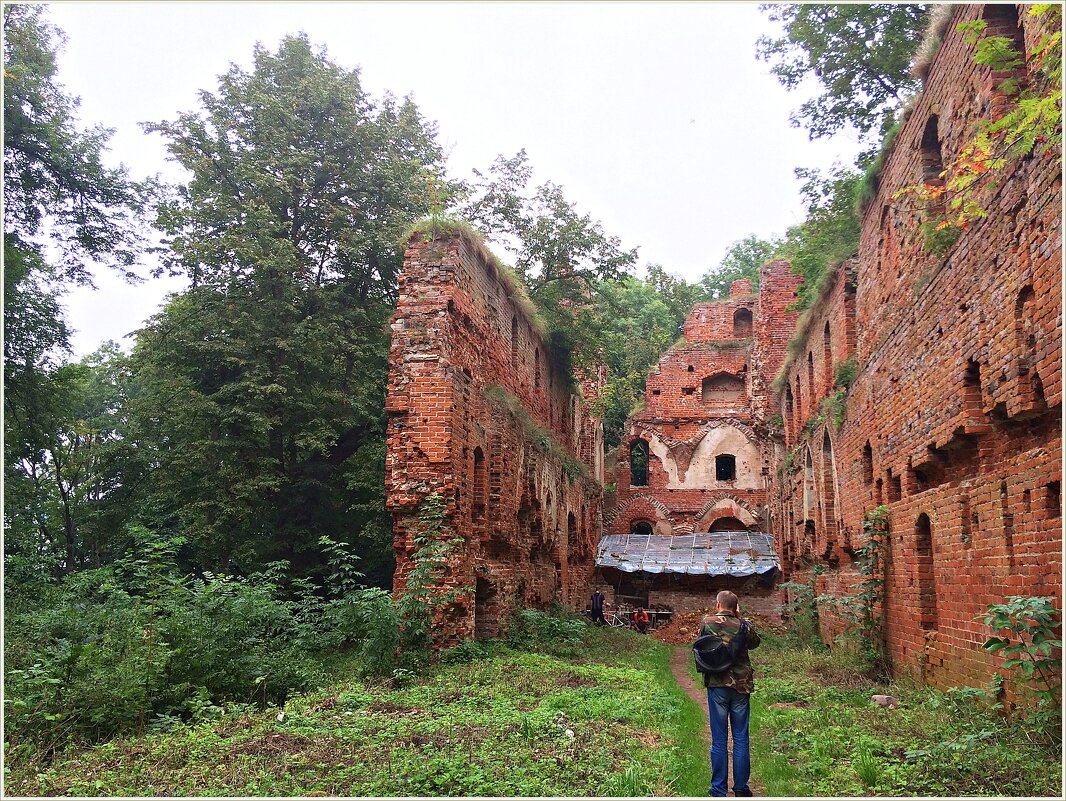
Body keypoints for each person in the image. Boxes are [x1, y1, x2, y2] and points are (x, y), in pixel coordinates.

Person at [698, 590, 761, 798]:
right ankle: (741, 789)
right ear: (736, 607)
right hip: (741, 686)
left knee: (719, 740)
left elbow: (702, 646)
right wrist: (740, 619)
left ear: (717, 605)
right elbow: (755, 643)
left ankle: (718, 789)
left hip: (717, 685)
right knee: (741, 737)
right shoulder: (745, 625)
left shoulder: (707, 622)